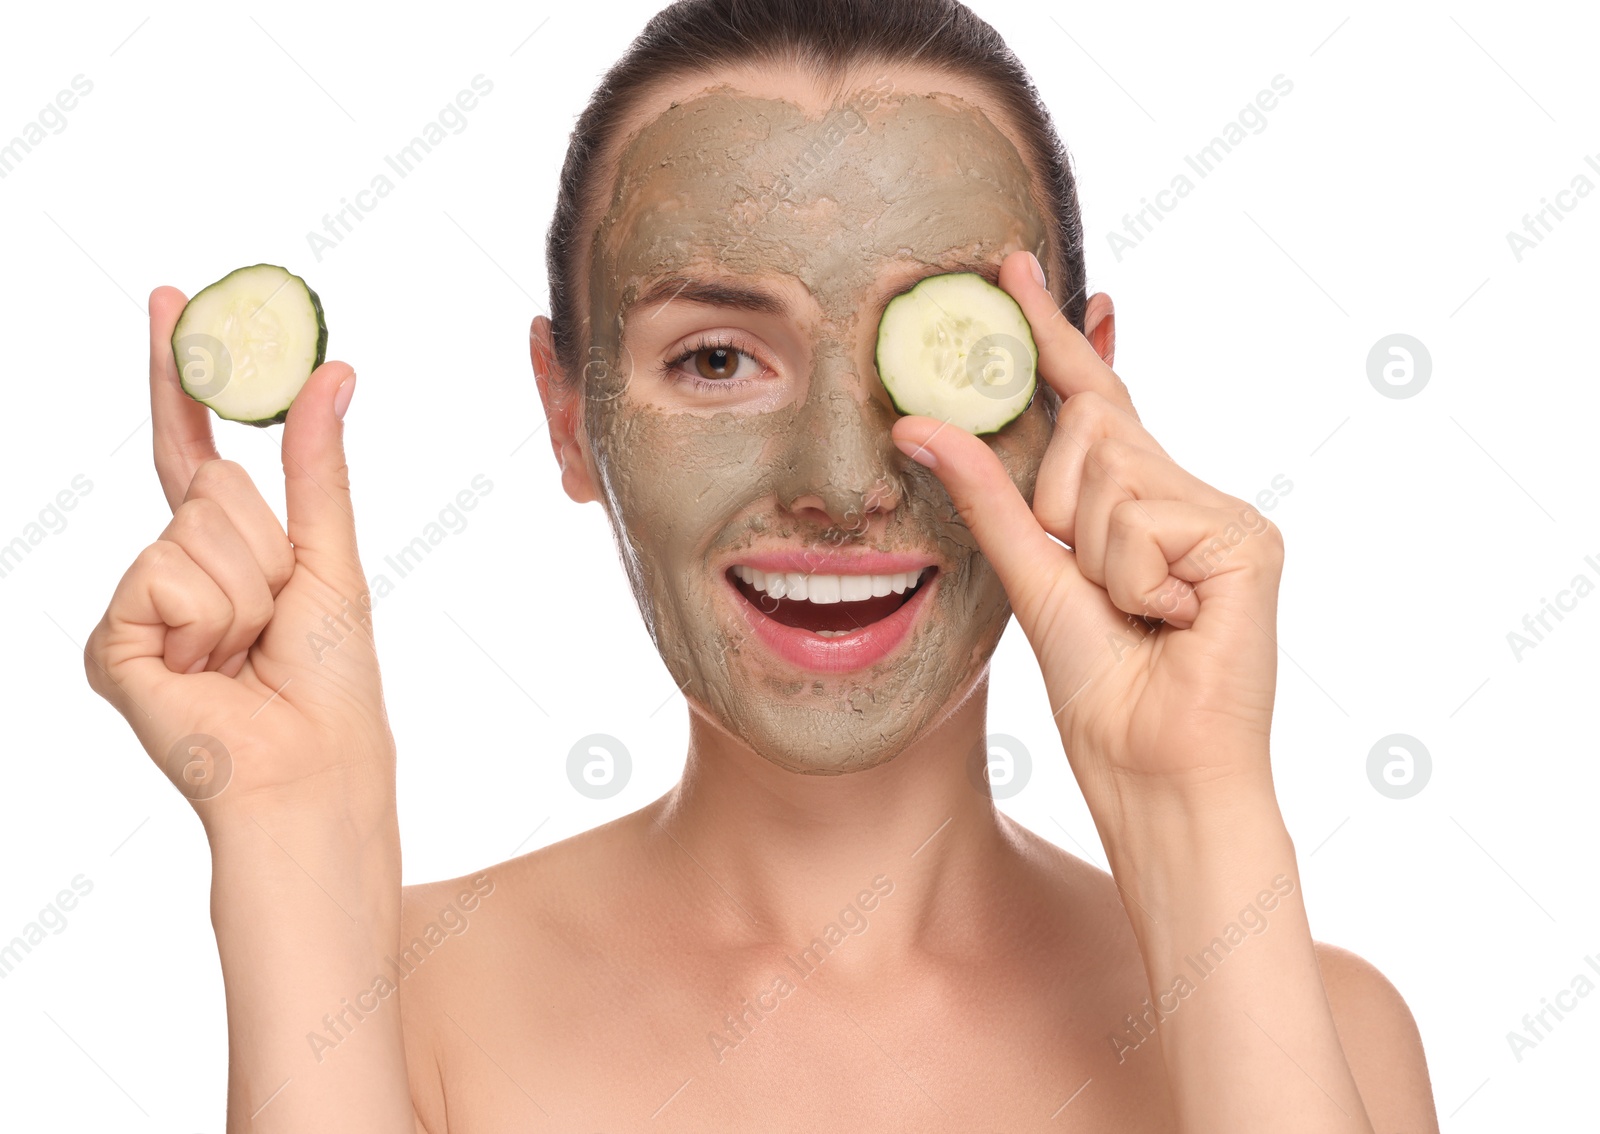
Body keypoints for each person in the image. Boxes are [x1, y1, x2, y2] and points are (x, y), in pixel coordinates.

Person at [85, 1, 1440, 1129]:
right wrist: (292, 835)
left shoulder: (1322, 1027)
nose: (843, 479)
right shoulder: (388, 997)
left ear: (1078, 388)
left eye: (942, 350)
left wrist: (1196, 814)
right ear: (571, 411)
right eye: (717, 359)